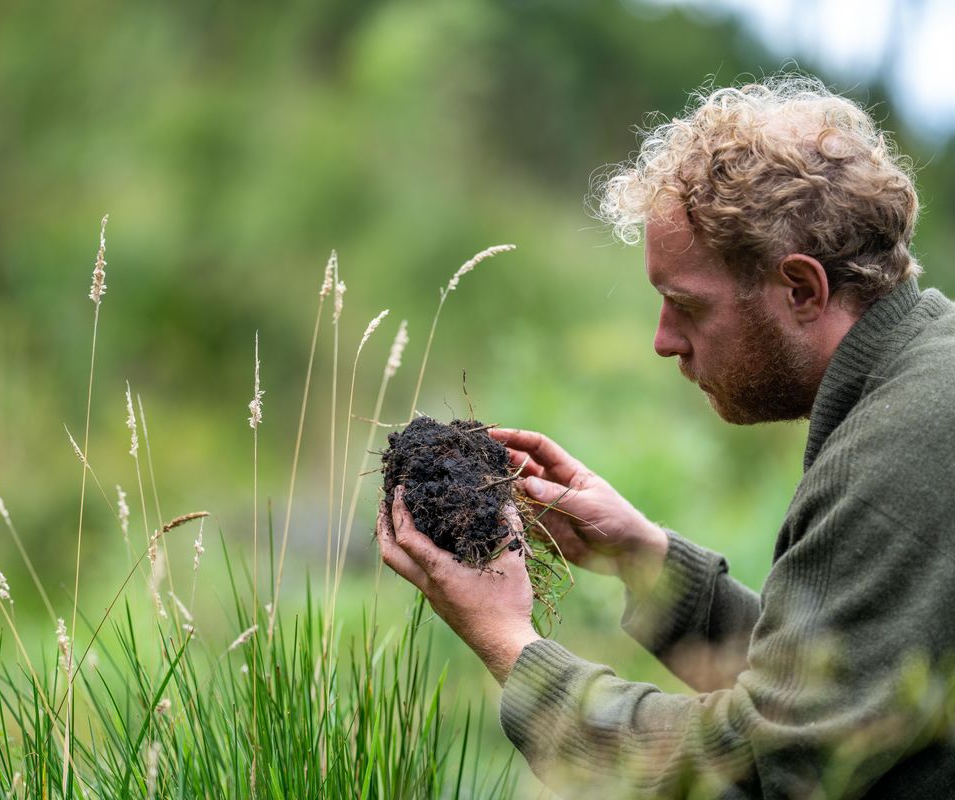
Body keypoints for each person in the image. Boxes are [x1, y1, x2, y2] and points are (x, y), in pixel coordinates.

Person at [376, 75, 955, 798]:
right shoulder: (923, 387)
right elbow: (837, 689)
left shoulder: (904, 452)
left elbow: (767, 774)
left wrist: (512, 645)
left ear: (802, 289)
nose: (662, 341)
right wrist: (644, 560)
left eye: (685, 305)